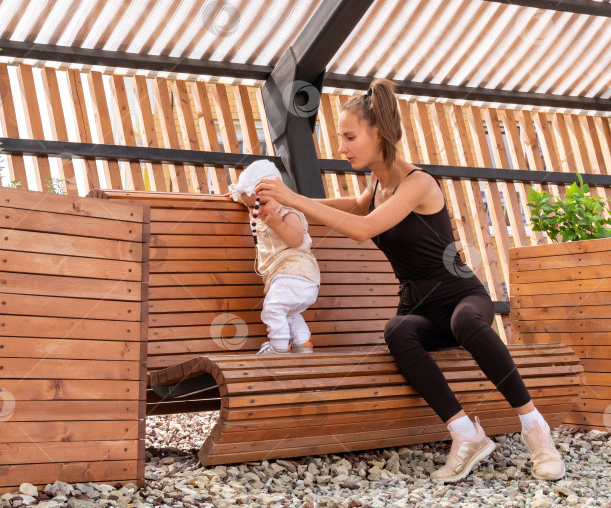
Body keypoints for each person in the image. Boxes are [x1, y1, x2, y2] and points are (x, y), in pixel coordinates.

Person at [255, 79, 565, 483]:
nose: (341, 147)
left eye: (349, 137)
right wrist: (281, 203)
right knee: (397, 330)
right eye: (340, 137)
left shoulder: (418, 183)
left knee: (467, 323)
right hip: (419, 307)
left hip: (461, 297)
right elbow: (353, 206)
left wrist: (294, 199)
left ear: (378, 134)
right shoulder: (377, 185)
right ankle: (464, 433)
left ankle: (536, 430)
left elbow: (363, 228)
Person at [227, 160, 320, 355]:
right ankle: (303, 343)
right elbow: (252, 201)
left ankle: (278, 346)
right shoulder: (261, 212)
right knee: (290, 312)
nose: (257, 211)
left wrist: (279, 225)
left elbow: (295, 239)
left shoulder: (288, 213)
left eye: (262, 204)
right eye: (252, 207)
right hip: (289, 279)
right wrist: (239, 197)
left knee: (273, 307)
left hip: (296, 274)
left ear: (280, 193)